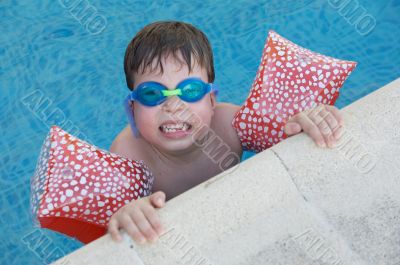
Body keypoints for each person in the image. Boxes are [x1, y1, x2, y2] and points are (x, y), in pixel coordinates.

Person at [107, 21, 344, 244]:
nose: (173, 106)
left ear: (211, 101)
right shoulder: (127, 155)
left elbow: (288, 144)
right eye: (152, 94)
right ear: (132, 109)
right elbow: (116, 221)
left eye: (190, 90)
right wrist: (127, 211)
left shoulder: (231, 125)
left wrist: (306, 123)